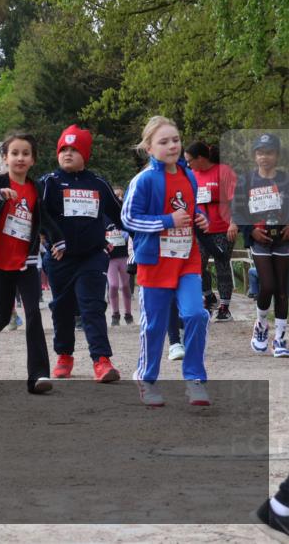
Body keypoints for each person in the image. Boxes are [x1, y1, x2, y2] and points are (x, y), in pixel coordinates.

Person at [122, 116, 212, 407]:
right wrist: (167, 221)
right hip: (154, 263)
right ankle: (146, 380)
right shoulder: (144, 180)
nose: (172, 145)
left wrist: (202, 217)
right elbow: (128, 218)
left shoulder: (188, 175)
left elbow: (191, 207)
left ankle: (195, 379)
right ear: (149, 148)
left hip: (187, 259)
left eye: (175, 139)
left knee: (196, 314)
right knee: (155, 326)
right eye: (164, 141)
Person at [0, 131, 60, 394]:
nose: (20, 158)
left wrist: (57, 240)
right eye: (15, 153)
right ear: (5, 158)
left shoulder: (36, 188)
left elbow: (46, 219)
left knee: (33, 315)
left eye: (25, 154)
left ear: (33, 160)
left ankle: (38, 375)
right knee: (2, 315)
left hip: (26, 262)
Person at [39, 125, 123, 383]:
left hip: (92, 257)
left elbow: (121, 214)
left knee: (92, 306)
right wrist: (49, 239)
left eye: (74, 149)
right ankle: (64, 355)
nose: (67, 153)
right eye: (63, 149)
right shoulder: (48, 182)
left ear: (85, 154)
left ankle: (101, 360)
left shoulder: (98, 183)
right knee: (62, 309)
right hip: (60, 259)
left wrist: (142, 234)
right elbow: (36, 216)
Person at [230, 133, 289, 358]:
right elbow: (239, 211)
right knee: (268, 286)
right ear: (255, 156)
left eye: (269, 152)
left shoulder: (284, 179)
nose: (265, 157)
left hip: (283, 240)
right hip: (259, 240)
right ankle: (261, 324)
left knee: (282, 290)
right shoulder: (246, 181)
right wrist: (250, 230)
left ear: (277, 155)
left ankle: (281, 338)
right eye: (260, 153)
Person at [185, 141, 238, 321]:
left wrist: (234, 222)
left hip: (222, 227)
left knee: (222, 266)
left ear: (200, 158)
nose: (188, 164)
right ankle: (209, 297)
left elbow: (236, 199)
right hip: (200, 229)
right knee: (197, 266)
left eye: (190, 160)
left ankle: (225, 307)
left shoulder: (223, 171)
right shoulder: (191, 175)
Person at [107, 186, 134, 325]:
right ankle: (115, 315)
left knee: (124, 285)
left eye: (120, 196)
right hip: (110, 257)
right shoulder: (104, 215)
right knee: (112, 285)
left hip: (124, 255)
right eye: (115, 195)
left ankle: (128, 315)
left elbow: (133, 229)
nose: (118, 198)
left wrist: (127, 233)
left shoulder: (124, 213)